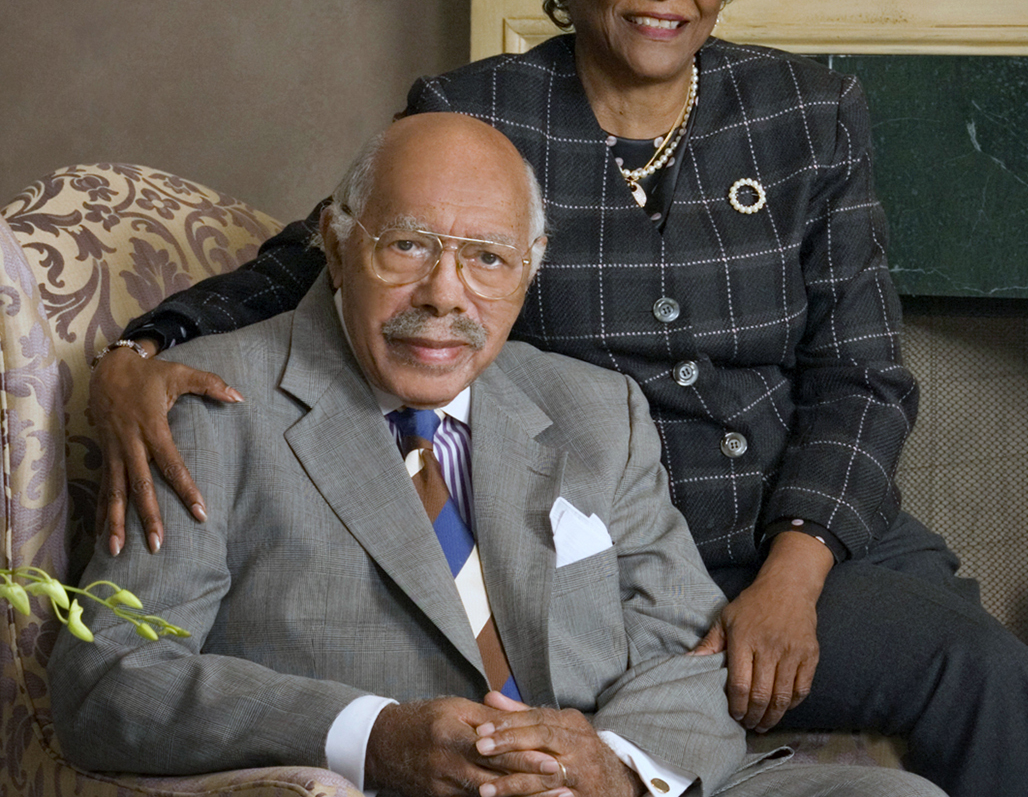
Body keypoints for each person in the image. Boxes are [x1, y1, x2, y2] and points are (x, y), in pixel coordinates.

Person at [88, 0, 1028, 797]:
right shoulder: (482, 111)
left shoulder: (807, 113)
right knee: (932, 686)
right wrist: (144, 349)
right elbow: (334, 250)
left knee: (991, 675)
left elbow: (864, 374)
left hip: (810, 536)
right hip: (626, 554)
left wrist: (792, 577)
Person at [51, 112, 942, 797]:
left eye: (487, 258)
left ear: (532, 265)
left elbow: (689, 647)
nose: (445, 294)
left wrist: (613, 764)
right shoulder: (211, 406)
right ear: (337, 240)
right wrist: (375, 736)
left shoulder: (598, 410)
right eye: (409, 245)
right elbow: (110, 680)